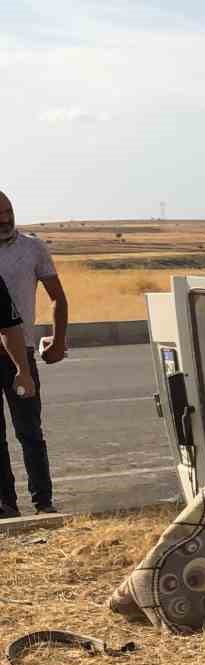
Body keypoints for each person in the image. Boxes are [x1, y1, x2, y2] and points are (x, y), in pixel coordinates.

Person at [0, 190, 62, 518]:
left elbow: (57, 298)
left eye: (7, 211)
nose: (4, 219)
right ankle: (6, 505)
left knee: (29, 432)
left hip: (20, 354)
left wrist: (59, 338)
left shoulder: (32, 248)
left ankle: (43, 502)